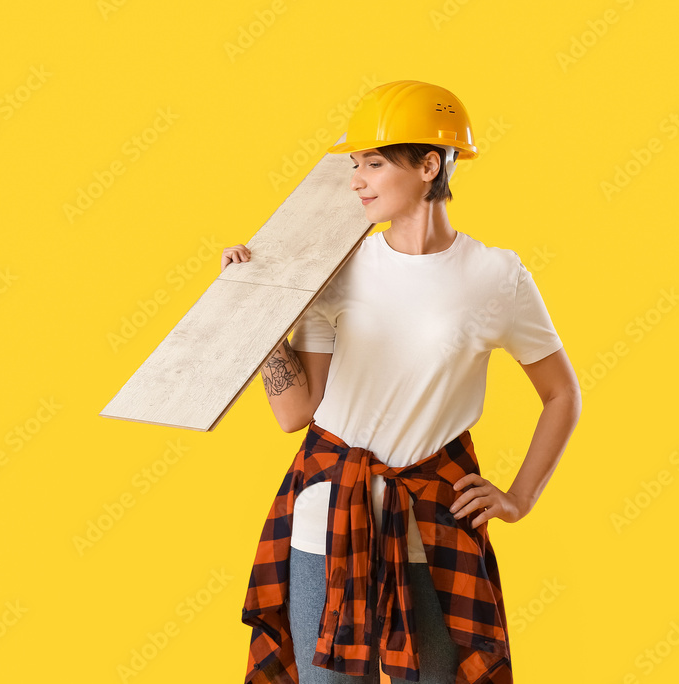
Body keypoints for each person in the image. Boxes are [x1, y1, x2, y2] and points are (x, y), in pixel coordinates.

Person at [227, 80, 581, 683]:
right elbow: (295, 413)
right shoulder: (334, 271)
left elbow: (561, 394)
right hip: (327, 517)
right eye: (355, 164)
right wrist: (259, 311)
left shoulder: (495, 275)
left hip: (434, 520)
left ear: (428, 165)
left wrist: (519, 498)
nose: (357, 180)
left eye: (373, 163)